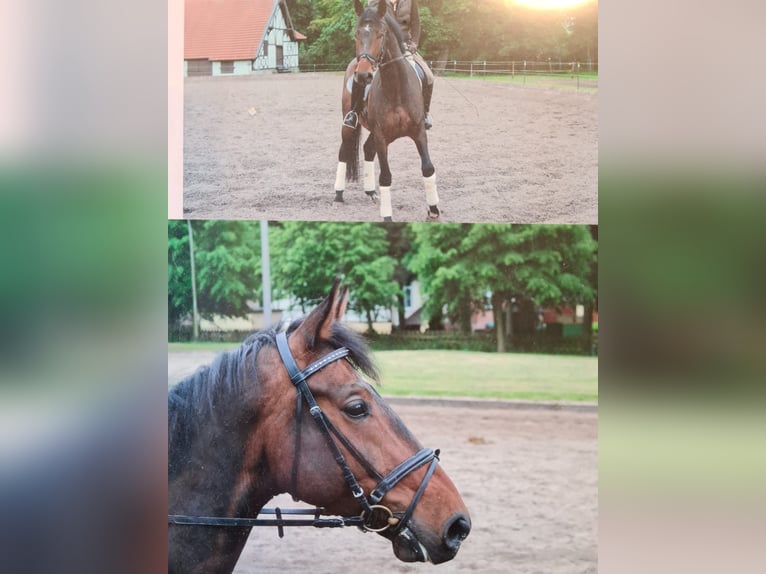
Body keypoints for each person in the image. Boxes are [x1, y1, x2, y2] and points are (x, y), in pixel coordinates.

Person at [344, 0, 435, 130]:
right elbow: (369, 22)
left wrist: (414, 43)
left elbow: (416, 23)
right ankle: (354, 112)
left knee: (429, 75)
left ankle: (424, 114)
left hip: (404, 46)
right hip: (382, 47)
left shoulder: (410, 1)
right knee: (363, 73)